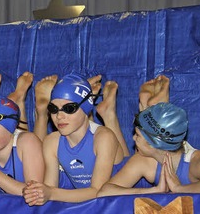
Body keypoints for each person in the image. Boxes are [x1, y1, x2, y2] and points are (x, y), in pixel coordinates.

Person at [23, 73, 125, 205]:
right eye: (53, 109)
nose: (59, 116)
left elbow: (98, 192)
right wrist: (38, 192)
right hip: (82, 196)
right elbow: (50, 188)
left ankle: (108, 111)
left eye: (69, 108)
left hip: (118, 198)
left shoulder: (103, 138)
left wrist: (50, 193)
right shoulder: (51, 142)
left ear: (86, 108)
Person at [98, 88, 200, 196]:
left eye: (137, 135)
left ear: (153, 143)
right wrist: (154, 190)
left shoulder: (196, 161)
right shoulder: (145, 160)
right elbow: (103, 192)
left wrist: (178, 188)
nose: (133, 138)